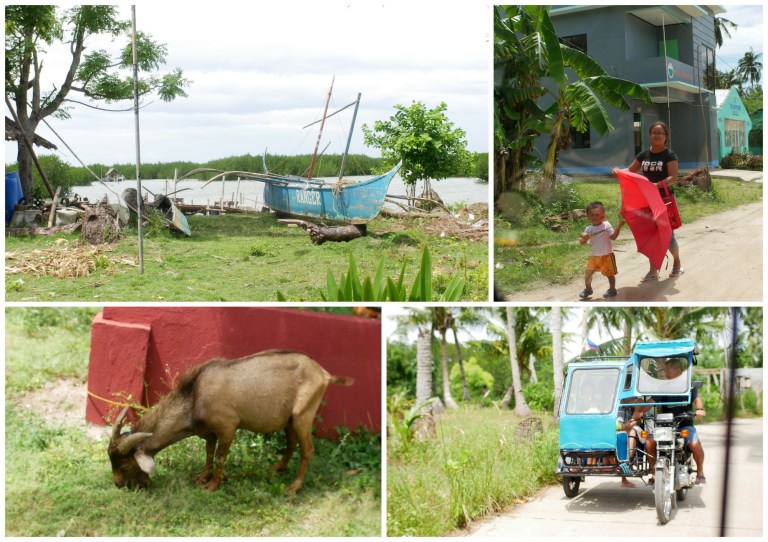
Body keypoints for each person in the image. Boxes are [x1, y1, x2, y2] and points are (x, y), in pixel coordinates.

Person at [612, 121, 684, 281]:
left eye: (660, 133)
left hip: (664, 199)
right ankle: (653, 270)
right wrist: (618, 171)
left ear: (666, 137)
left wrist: (655, 185)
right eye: (654, 132)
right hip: (647, 201)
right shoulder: (644, 155)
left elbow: (673, 177)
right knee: (651, 234)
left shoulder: (670, 155)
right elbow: (630, 171)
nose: (657, 135)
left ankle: (677, 263)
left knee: (668, 236)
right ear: (650, 135)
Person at [633, 359, 706, 487]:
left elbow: (697, 399)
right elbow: (651, 401)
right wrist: (641, 412)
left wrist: (699, 409)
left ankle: (700, 472)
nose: (666, 373)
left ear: (677, 371)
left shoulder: (689, 386)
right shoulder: (663, 388)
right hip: (666, 426)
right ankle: (655, 474)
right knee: (649, 442)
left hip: (685, 425)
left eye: (668, 370)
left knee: (695, 444)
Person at [579, 201, 625, 299]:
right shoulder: (589, 229)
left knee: (610, 275)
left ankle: (612, 289)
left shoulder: (606, 225)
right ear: (588, 216)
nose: (594, 217)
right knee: (587, 275)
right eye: (592, 215)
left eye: (597, 215)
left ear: (603, 216)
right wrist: (584, 237)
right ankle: (588, 289)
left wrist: (619, 226)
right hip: (594, 256)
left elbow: (613, 237)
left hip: (607, 255)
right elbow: (582, 241)